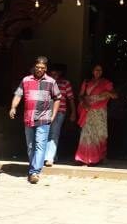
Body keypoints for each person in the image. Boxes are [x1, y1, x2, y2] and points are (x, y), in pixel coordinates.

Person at [9, 56, 61, 184]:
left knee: (40, 145)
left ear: (46, 69)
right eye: (37, 67)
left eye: (42, 68)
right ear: (34, 67)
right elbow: (18, 94)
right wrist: (13, 107)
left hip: (44, 119)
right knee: (31, 145)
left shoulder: (51, 82)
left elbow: (57, 98)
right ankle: (33, 168)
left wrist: (53, 115)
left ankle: (35, 172)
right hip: (28, 118)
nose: (39, 69)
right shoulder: (26, 80)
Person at [75, 64, 116, 165]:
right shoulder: (87, 82)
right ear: (92, 71)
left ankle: (96, 158)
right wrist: (84, 103)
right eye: (96, 70)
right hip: (88, 110)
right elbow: (80, 96)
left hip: (100, 112)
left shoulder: (106, 83)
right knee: (87, 134)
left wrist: (107, 93)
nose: (98, 72)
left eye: (100, 70)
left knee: (98, 134)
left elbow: (115, 95)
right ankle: (83, 158)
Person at [45, 63, 76, 167]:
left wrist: (73, 112)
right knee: (46, 133)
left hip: (60, 111)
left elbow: (71, 98)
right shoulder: (46, 82)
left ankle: (49, 158)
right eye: (53, 73)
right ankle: (51, 156)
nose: (55, 75)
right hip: (46, 111)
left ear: (60, 73)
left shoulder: (65, 83)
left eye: (57, 73)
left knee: (54, 134)